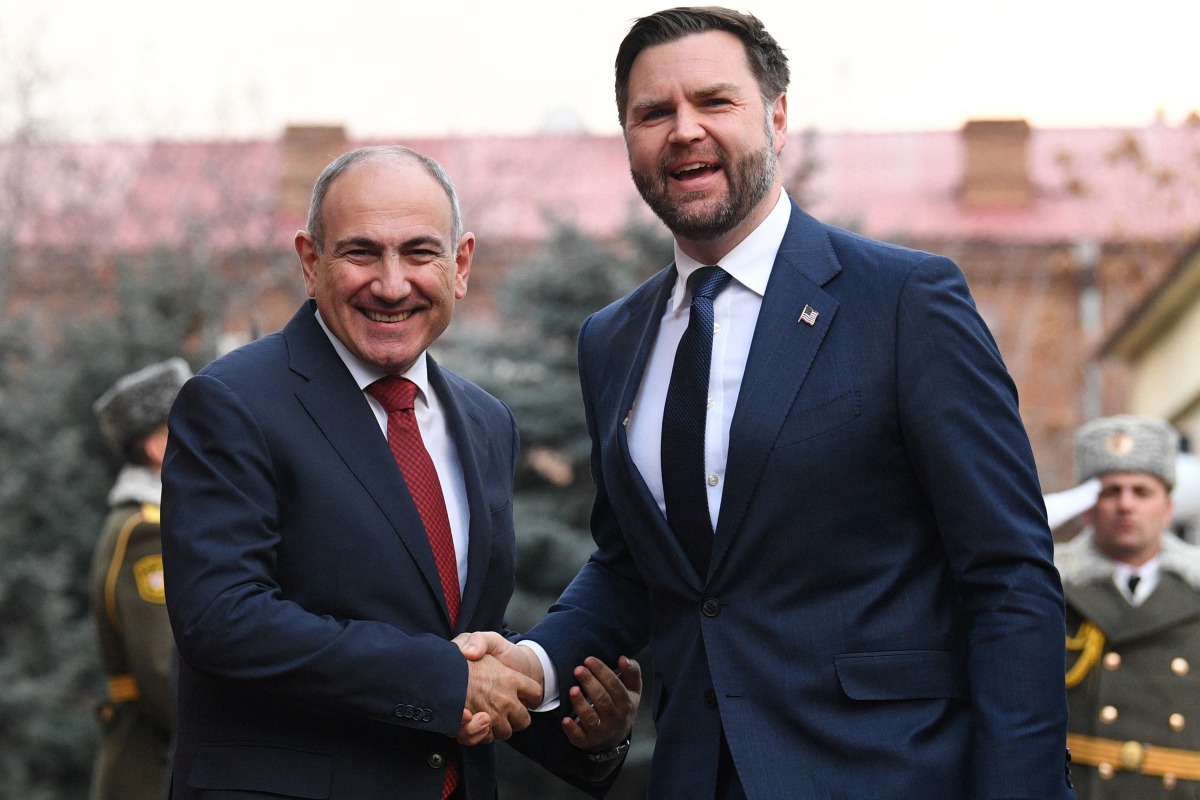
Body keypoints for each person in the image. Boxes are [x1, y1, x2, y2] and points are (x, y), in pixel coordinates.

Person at [461, 7, 1072, 799]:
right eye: (653, 112)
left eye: (715, 101)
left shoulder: (905, 302)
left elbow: (1009, 576)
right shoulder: (611, 341)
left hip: (893, 776)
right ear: (628, 140)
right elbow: (633, 567)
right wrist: (534, 664)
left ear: (777, 117)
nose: (684, 130)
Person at [160, 145, 640, 800]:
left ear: (460, 265)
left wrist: (580, 730)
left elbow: (464, 644)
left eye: (419, 253)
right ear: (310, 263)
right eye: (361, 253)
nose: (391, 285)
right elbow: (222, 619)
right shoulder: (233, 402)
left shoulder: (486, 422)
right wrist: (446, 679)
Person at [1058, 415, 1200, 798]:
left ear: (1167, 508)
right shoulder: (1049, 587)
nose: (1125, 505)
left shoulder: (1194, 592)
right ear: (1087, 508)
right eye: (1110, 491)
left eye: (1142, 491)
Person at [89, 357, 191, 800]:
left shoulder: (156, 520)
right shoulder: (147, 531)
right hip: (153, 768)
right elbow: (160, 670)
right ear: (156, 447)